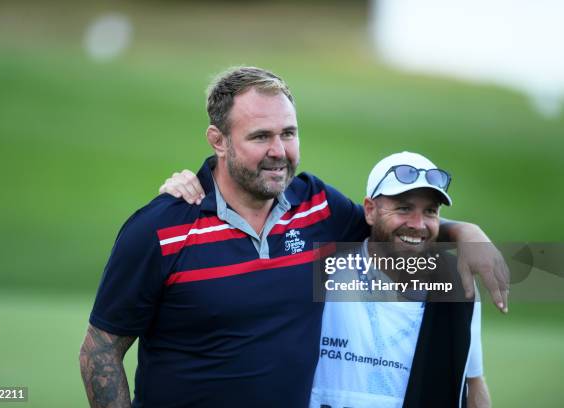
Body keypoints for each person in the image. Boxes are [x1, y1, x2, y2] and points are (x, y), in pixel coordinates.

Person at [80, 66, 506, 407]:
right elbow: (100, 352)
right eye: (261, 136)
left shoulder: (318, 206)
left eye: (288, 133)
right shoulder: (160, 230)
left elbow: (393, 227)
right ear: (219, 141)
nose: (279, 151)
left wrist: (463, 232)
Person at [309, 151, 491, 408]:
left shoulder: (457, 286)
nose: (418, 224)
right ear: (370, 210)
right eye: (404, 208)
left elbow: (473, 383)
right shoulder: (325, 270)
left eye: (430, 211)